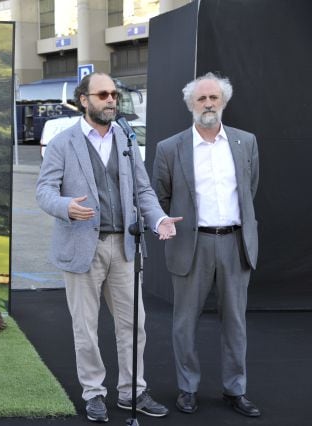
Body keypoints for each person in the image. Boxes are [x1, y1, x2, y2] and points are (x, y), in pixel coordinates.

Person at [36, 72, 182, 423]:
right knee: (85, 327)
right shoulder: (63, 143)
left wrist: (159, 219)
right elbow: (44, 191)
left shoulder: (126, 139)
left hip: (125, 248)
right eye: (103, 94)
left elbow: (143, 191)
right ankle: (94, 393)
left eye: (114, 94)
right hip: (82, 245)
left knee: (135, 325)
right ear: (84, 100)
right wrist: (65, 206)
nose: (111, 100)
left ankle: (133, 391)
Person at [152, 72, 260, 417]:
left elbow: (249, 191)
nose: (209, 104)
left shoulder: (246, 142)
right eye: (202, 99)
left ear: (224, 102)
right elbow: (159, 197)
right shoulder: (169, 148)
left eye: (214, 98)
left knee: (236, 323)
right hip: (191, 245)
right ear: (190, 105)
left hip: (234, 243)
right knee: (184, 322)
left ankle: (235, 389)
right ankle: (187, 388)